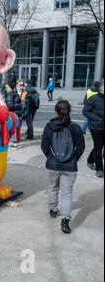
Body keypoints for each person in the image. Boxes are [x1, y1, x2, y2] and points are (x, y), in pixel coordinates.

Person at [41, 100, 85, 234]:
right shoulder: (76, 128)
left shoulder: (49, 126)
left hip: (53, 164)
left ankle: (53, 210)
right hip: (70, 167)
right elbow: (81, 147)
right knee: (67, 193)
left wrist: (51, 157)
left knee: (53, 188)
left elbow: (44, 146)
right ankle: (65, 220)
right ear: (70, 111)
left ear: (56, 111)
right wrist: (73, 159)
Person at [83, 81, 104, 178]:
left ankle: (90, 160)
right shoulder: (93, 99)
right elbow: (85, 111)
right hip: (96, 126)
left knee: (99, 146)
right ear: (101, 88)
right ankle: (99, 169)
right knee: (98, 146)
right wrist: (98, 119)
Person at [4, 80, 22, 148]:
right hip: (17, 114)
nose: (6, 89)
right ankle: (15, 143)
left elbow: (9, 106)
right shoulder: (16, 93)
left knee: (10, 127)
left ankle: (9, 143)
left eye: (6, 87)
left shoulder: (10, 94)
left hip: (12, 114)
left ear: (10, 87)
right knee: (15, 128)